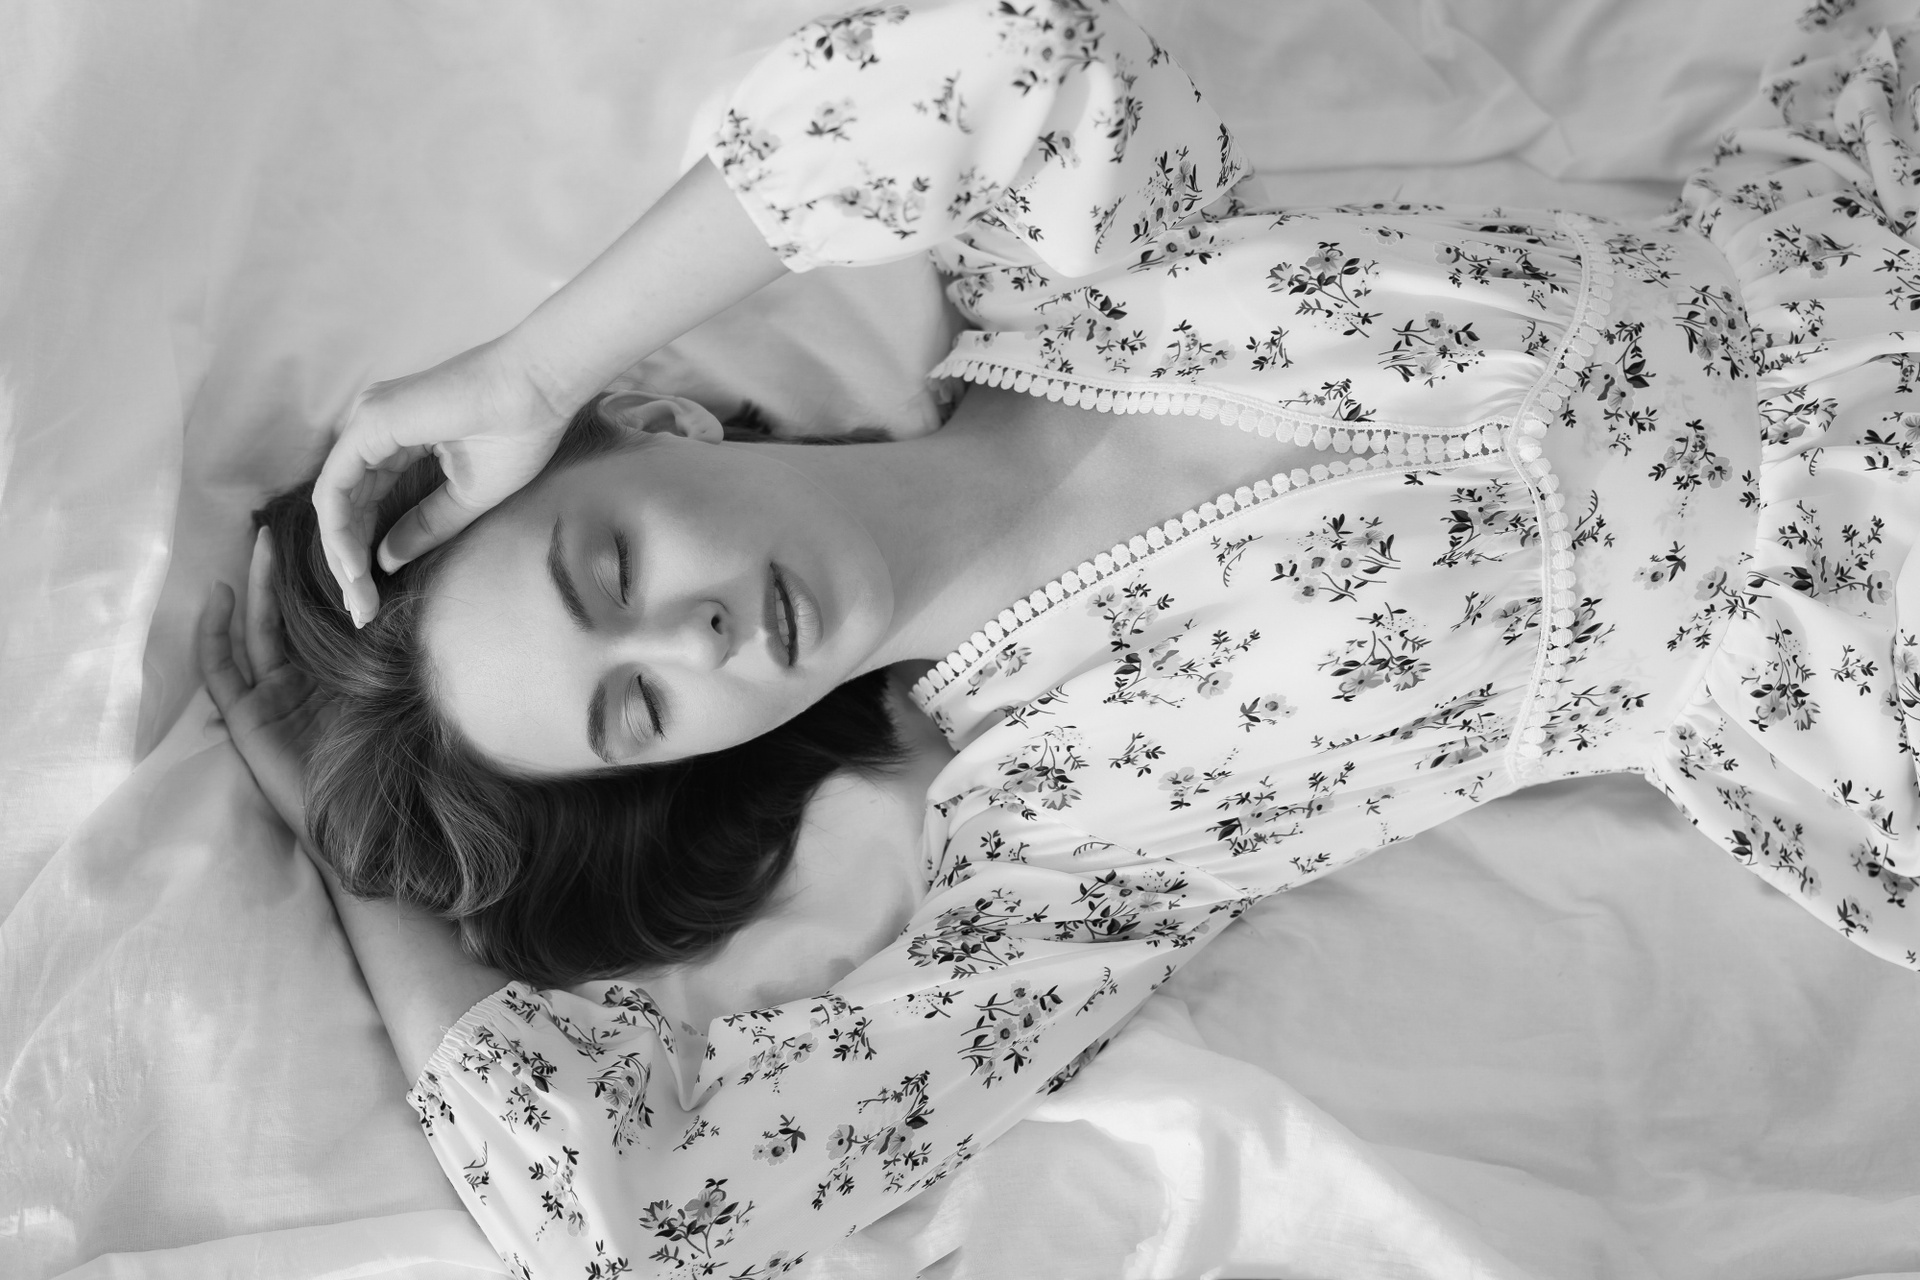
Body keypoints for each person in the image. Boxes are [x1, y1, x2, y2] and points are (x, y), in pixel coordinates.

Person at [198, 0, 1920, 1273]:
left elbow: (985, 60)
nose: (697, 634)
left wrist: (529, 369)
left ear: (659, 424)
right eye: (638, 707)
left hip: (1855, 237)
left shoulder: (1080, 266)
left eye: (610, 565)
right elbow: (652, 1217)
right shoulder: (1064, 847)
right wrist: (361, 877)